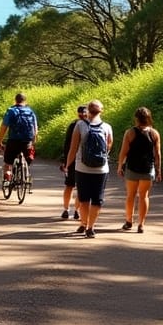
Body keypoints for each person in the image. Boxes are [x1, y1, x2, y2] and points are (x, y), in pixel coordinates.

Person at [64, 99, 112, 238]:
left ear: (88, 111)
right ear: (101, 111)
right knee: (97, 199)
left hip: (82, 168)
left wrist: (68, 165)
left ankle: (84, 223)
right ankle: (91, 227)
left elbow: (73, 148)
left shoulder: (80, 125)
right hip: (102, 169)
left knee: (84, 198)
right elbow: (108, 147)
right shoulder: (107, 127)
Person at [116, 106, 162, 232]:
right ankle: (141, 224)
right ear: (149, 118)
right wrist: (159, 171)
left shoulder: (130, 132)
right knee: (144, 196)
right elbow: (157, 154)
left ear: (136, 118)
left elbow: (123, 152)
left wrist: (120, 166)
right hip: (148, 168)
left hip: (132, 168)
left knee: (130, 195)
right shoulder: (154, 133)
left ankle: (129, 221)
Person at [0, 92, 38, 183]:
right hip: (27, 141)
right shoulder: (30, 111)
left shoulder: (11, 111)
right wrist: (33, 141)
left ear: (15, 100)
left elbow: (3, 128)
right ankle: (25, 175)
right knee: (28, 156)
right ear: (25, 101)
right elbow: (35, 129)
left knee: (8, 162)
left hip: (13, 140)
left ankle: (8, 174)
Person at [56, 105, 89, 220]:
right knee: (81, 187)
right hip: (86, 161)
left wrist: (65, 161)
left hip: (73, 159)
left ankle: (66, 210)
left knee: (69, 185)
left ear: (77, 113)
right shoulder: (92, 125)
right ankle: (77, 211)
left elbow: (68, 145)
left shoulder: (73, 125)